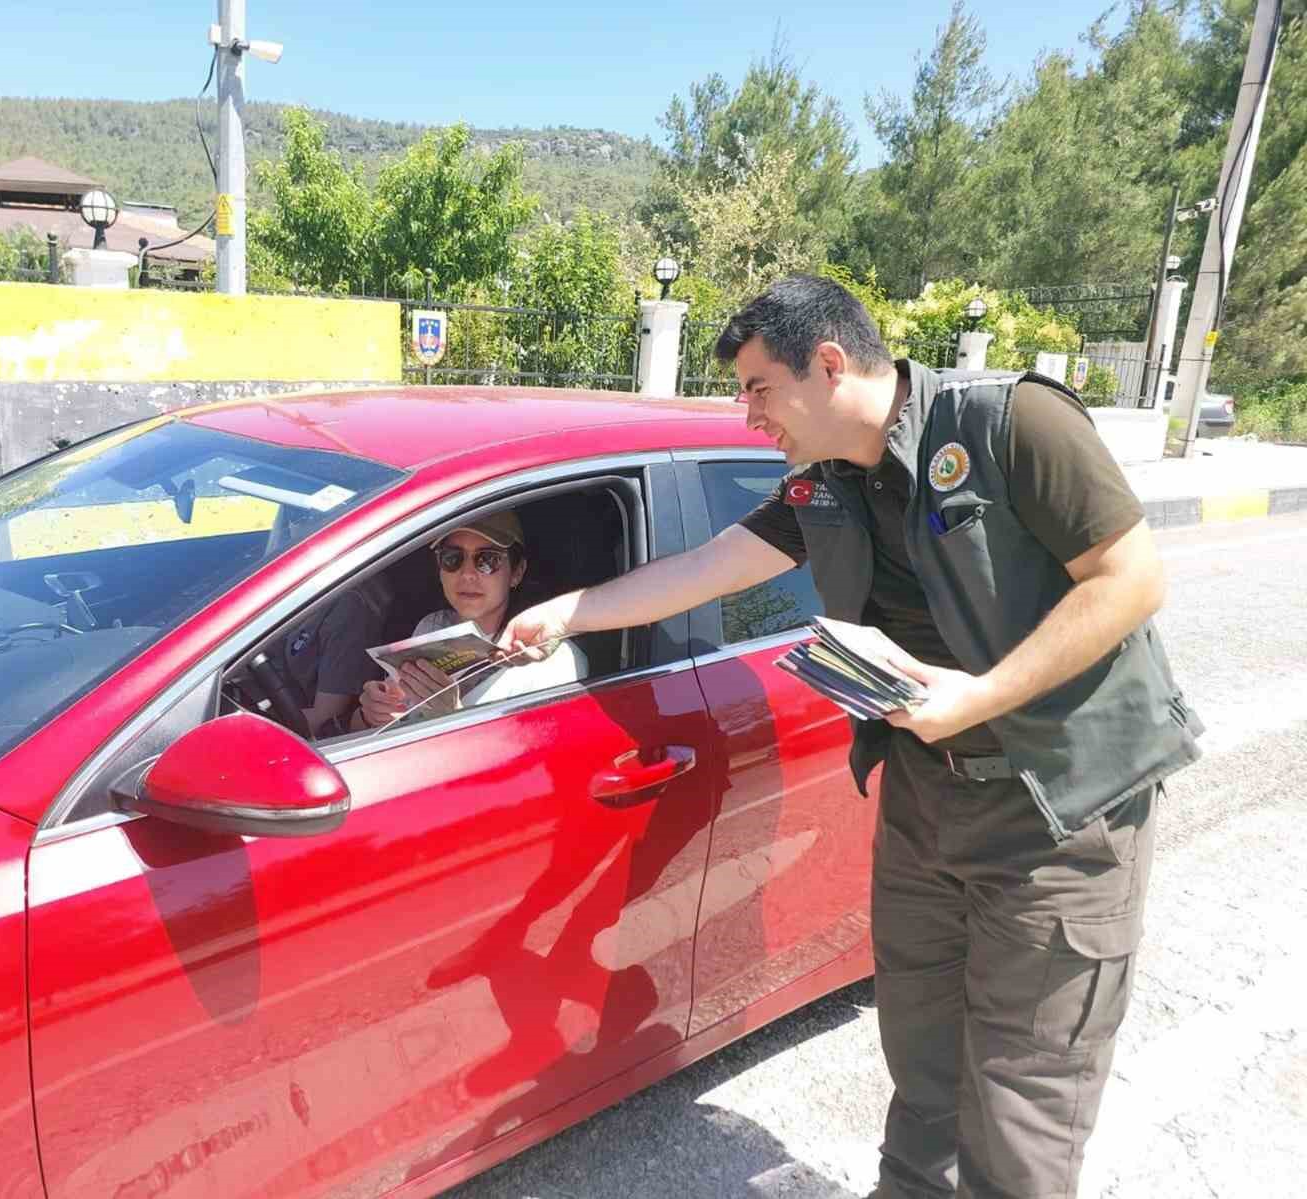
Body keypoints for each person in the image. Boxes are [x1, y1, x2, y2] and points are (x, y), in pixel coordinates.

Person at [501, 274, 1202, 1199]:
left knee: (1022, 1111)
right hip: (925, 799)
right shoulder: (826, 479)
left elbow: (1129, 577)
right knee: (921, 1073)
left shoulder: (1010, 424)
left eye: (757, 388)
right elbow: (709, 568)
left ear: (828, 365)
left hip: (1059, 812)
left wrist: (981, 696)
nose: (748, 414)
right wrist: (567, 613)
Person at [354, 509, 586, 731]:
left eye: (488, 560)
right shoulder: (432, 626)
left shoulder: (553, 662)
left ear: (517, 572)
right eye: (452, 558)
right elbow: (386, 723)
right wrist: (372, 714)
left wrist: (452, 716)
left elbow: (539, 763)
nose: (467, 574)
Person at [270, 576, 390, 739]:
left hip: (311, 738)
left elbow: (325, 718)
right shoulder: (303, 594)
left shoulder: (350, 613)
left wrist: (252, 731)